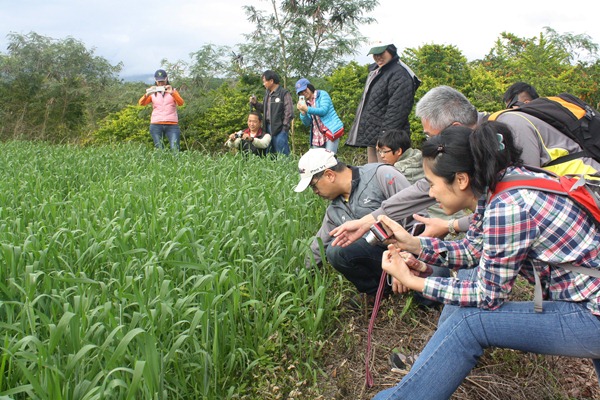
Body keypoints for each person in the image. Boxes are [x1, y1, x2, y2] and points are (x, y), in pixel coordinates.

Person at [371, 122, 600, 400]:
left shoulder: (507, 208)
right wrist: (414, 244)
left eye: (432, 184)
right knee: (465, 308)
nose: (430, 193)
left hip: (591, 311)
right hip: (588, 295)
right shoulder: (503, 183)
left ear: (461, 179)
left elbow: (487, 295)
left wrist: (414, 281)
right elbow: (472, 252)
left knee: (470, 321)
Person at [329, 85, 600, 246]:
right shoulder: (473, 142)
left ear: (454, 127)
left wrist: (452, 226)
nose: (431, 144)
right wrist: (369, 219)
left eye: (430, 136)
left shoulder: (511, 130)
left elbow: (520, 207)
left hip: (586, 203)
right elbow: (427, 186)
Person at [294, 148, 422, 304]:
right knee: (336, 250)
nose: (315, 192)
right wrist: (299, 279)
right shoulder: (334, 210)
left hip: (415, 249)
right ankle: (376, 292)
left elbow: (418, 217)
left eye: (314, 185)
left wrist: (404, 259)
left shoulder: (381, 175)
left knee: (424, 297)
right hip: (381, 255)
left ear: (329, 175)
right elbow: (319, 246)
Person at [345, 40, 420, 163]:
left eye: (381, 53)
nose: (378, 57)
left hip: (389, 140)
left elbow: (397, 111)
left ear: (391, 50)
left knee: (387, 176)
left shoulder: (399, 74)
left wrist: (383, 139)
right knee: (373, 173)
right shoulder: (376, 71)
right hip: (373, 135)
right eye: (375, 54)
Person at [138, 69, 184, 151]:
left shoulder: (173, 91)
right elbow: (141, 103)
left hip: (172, 124)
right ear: (155, 80)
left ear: (166, 79)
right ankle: (160, 163)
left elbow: (180, 103)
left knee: (175, 149)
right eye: (159, 81)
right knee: (159, 149)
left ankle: (175, 163)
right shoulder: (153, 93)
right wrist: (147, 94)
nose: (161, 83)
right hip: (156, 124)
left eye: (162, 81)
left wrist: (172, 93)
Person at [250, 70, 293, 155]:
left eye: (265, 81)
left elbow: (289, 112)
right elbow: (265, 110)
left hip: (280, 129)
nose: (264, 84)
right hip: (267, 128)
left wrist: (284, 128)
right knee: (270, 154)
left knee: (282, 154)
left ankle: (284, 168)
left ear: (271, 81)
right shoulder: (267, 94)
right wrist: (255, 103)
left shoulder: (284, 93)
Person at [295, 78, 344, 154]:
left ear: (310, 87)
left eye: (305, 90)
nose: (303, 93)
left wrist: (307, 109)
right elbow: (307, 123)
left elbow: (323, 111)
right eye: (301, 93)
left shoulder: (322, 94)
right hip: (317, 135)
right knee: (318, 162)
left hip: (330, 131)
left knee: (329, 159)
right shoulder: (306, 103)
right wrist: (303, 113)